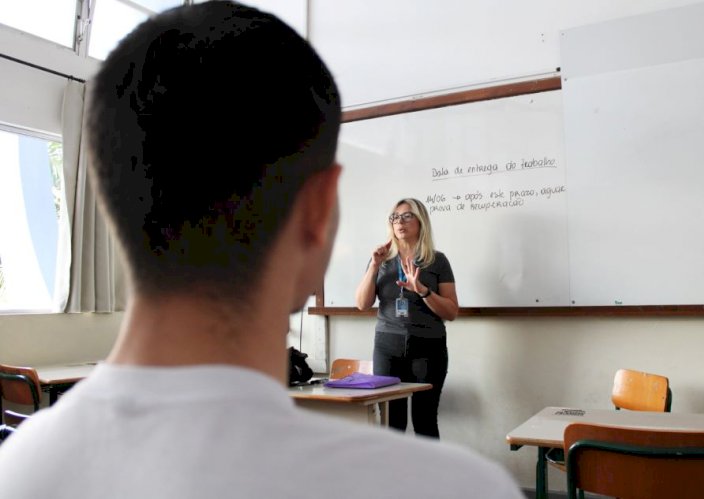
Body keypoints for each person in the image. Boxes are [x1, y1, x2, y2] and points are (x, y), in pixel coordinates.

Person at [0, 3, 523, 498]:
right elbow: (366, 303)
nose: (399, 223)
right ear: (318, 211)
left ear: (106, 197)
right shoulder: (458, 487)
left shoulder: (19, 467)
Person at [355, 198, 458, 439]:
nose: (399, 222)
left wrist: (422, 290)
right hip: (387, 347)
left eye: (407, 216)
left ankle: (429, 477)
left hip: (428, 347)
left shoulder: (437, 260)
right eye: (394, 217)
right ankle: (394, 477)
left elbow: (451, 311)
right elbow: (362, 303)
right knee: (392, 424)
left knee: (425, 422)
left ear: (421, 222)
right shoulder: (380, 259)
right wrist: (373, 267)